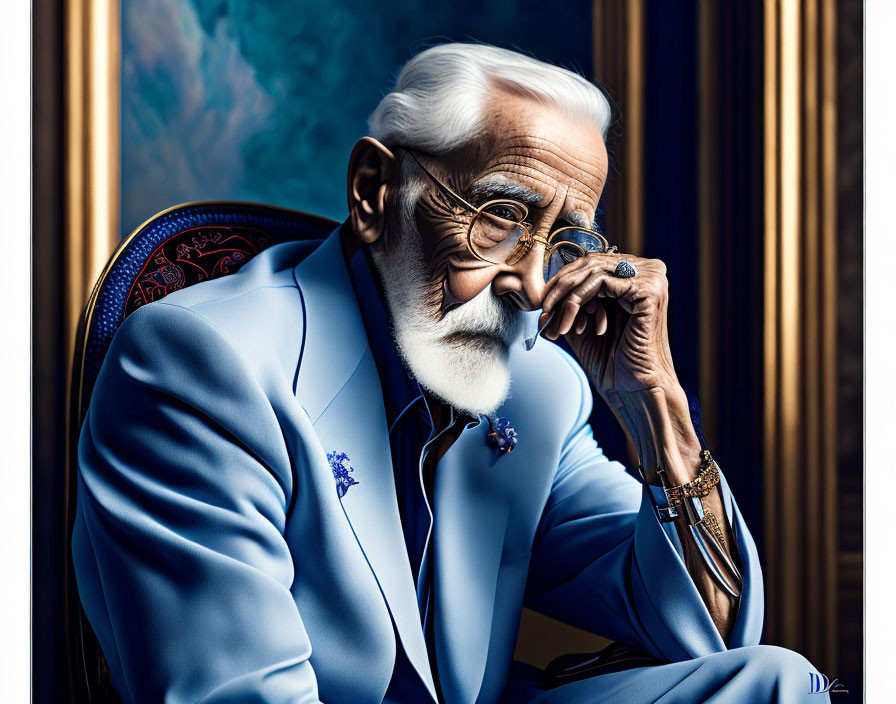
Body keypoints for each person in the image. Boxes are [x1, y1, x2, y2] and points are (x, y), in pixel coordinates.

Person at [72, 43, 828, 703]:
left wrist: (655, 405)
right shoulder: (201, 364)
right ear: (375, 191)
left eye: (565, 240)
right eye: (501, 215)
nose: (534, 286)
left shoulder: (538, 387)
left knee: (771, 681)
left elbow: (709, 635)